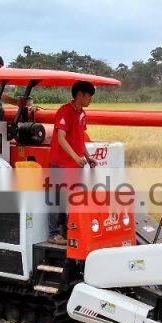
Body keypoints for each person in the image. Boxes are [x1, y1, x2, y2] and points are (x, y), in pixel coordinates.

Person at [46, 80, 98, 245]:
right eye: (89, 96)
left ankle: (72, 231)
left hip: (75, 165)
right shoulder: (64, 112)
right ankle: (53, 234)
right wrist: (76, 157)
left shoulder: (82, 114)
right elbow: (61, 138)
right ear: (80, 95)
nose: (91, 99)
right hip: (60, 163)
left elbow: (79, 139)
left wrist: (87, 157)